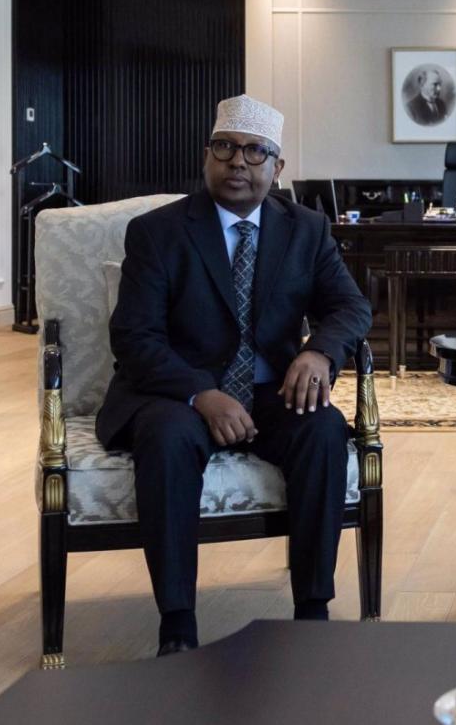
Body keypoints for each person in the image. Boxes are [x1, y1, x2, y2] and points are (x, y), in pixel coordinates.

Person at [96, 94, 372, 657]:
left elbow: (350, 306)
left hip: (272, 390)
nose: (238, 162)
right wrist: (201, 393)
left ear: (278, 166)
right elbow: (135, 337)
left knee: (323, 430)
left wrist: (319, 353)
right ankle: (177, 626)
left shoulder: (306, 229)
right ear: (207, 156)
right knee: (167, 438)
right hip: (178, 391)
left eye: (254, 151)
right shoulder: (157, 232)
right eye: (225, 148)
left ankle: (312, 612)